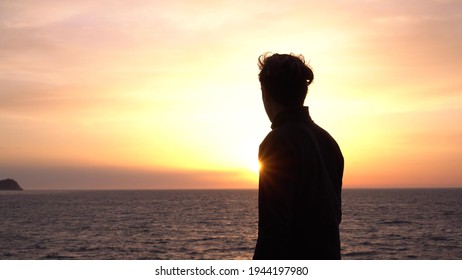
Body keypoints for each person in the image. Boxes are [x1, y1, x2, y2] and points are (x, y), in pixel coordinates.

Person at [253, 53, 344, 260]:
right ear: (302, 92)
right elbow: (334, 217)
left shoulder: (276, 143)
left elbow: (273, 229)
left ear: (265, 93)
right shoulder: (329, 142)